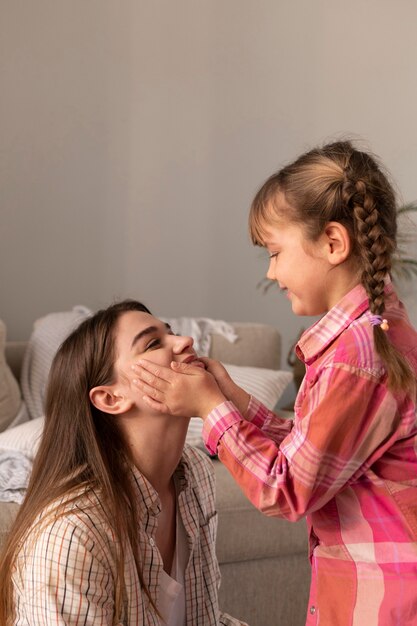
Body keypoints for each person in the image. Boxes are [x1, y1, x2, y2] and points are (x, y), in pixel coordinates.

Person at [129, 141, 417, 625]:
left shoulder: (355, 359)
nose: (271, 271)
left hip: (385, 600)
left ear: (332, 243)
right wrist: (235, 401)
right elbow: (321, 454)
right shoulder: (375, 331)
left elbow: (285, 490)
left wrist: (208, 408)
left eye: (276, 252)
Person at [0, 300, 247, 626]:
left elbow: (204, 619)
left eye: (170, 333)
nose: (185, 342)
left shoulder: (194, 472)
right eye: (153, 343)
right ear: (110, 398)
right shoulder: (73, 535)